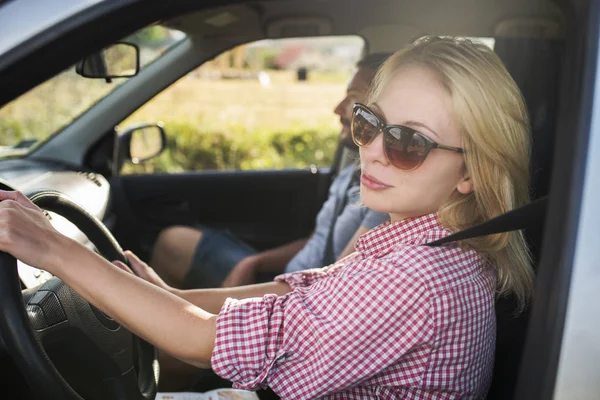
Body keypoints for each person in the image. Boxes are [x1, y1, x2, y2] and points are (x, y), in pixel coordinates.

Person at [0, 36, 535, 399]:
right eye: (370, 123)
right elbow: (293, 296)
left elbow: (205, 342)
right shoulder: (431, 245)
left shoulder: (416, 282)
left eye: (407, 142)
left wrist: (52, 249)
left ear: (471, 171)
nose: (370, 152)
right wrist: (167, 298)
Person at [148, 53, 392, 290]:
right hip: (286, 277)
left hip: (295, 295)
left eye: (351, 98)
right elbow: (317, 239)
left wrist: (179, 301)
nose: (338, 108)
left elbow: (335, 285)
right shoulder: (353, 170)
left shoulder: (381, 196)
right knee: (173, 240)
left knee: (172, 244)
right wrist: (255, 262)